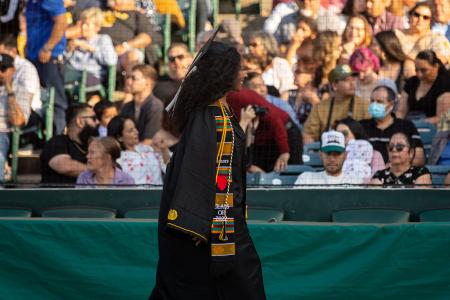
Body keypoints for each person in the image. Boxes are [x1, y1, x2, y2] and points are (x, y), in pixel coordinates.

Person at [150, 41, 266, 299]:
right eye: (239, 69)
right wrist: (199, 223)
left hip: (206, 226)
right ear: (223, 73)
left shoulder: (212, 113)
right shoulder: (214, 118)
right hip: (212, 229)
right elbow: (205, 173)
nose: (244, 74)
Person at [25, 0, 68, 134]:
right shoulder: (31, 2)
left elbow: (61, 22)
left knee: (55, 100)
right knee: (34, 99)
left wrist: (48, 48)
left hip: (49, 57)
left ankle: (58, 138)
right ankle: (36, 137)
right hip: (34, 56)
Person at [360, 80, 425, 166]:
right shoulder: (361, 126)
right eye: (372, 101)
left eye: (379, 102)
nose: (374, 105)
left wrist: (395, 165)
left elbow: (419, 158)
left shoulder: (406, 126)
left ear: (391, 105)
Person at [303, 64, 370, 144]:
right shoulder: (321, 108)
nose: (352, 83)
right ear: (334, 85)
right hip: (329, 152)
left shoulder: (365, 105)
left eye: (353, 79)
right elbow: (308, 135)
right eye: (346, 80)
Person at [40, 103, 99, 185]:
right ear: (80, 121)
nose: (97, 122)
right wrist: (98, 171)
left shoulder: (94, 145)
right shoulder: (57, 142)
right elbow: (65, 166)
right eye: (93, 118)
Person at [65, 7, 118, 88]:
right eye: (82, 23)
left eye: (87, 24)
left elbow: (111, 61)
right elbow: (68, 61)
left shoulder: (103, 39)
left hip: (92, 75)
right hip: (74, 72)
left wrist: (91, 49)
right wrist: (69, 50)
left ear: (97, 27)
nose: (83, 27)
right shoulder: (77, 39)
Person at [107, 116, 167, 185]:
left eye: (135, 128)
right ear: (119, 137)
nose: (136, 132)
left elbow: (167, 168)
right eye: (130, 130)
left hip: (159, 193)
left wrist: (164, 149)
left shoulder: (147, 149)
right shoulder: (118, 159)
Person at [398, 50, 450, 125]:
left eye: (424, 70)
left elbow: (442, 118)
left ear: (436, 66)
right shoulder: (411, 82)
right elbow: (400, 112)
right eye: (416, 70)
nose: (419, 75)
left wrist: (416, 124)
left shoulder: (444, 84)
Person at [100, 0, 158, 67]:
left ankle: (130, 77)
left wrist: (124, 46)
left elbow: (145, 38)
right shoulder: (100, 11)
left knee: (133, 55)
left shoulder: (137, 14)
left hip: (122, 52)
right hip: (97, 48)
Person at [0, 54, 29, 183]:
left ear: (13, 70)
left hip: (2, 132)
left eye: (3, 69)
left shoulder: (20, 89)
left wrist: (9, 91)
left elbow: (17, 121)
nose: (0, 73)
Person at [295, 131, 364, 185]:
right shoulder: (306, 179)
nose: (332, 159)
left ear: (345, 155)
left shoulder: (356, 182)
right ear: (321, 155)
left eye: (337, 154)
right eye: (328, 153)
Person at [119, 64, 163, 144]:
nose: (128, 81)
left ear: (147, 83)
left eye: (133, 78)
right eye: (128, 77)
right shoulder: (127, 107)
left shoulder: (156, 107)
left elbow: (148, 141)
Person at [0, 34, 41, 117]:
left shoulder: (26, 68)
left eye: (2, 54)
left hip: (28, 112)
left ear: (14, 51)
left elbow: (27, 100)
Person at [335, 117, 385, 182]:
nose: (340, 138)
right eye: (337, 135)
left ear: (355, 133)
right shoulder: (333, 155)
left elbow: (378, 177)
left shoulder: (375, 154)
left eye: (344, 134)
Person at [247, 31, 294, 100]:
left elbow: (286, 90)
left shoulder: (279, 63)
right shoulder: (248, 68)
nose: (250, 48)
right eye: (249, 45)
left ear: (266, 46)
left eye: (254, 45)